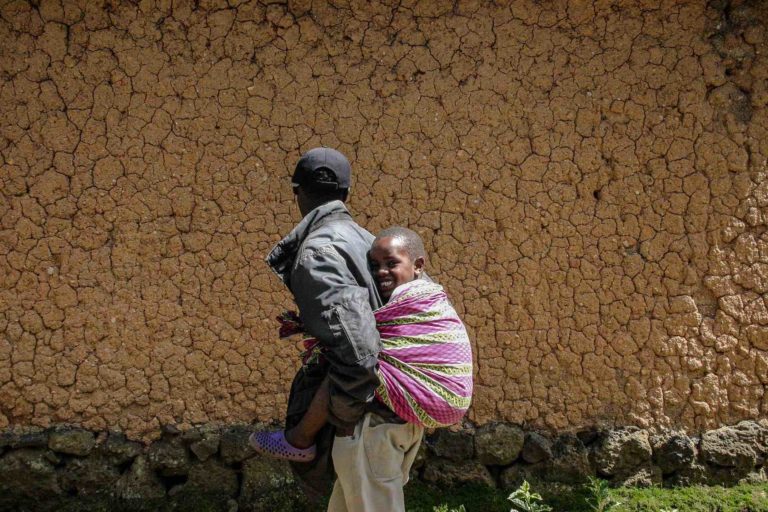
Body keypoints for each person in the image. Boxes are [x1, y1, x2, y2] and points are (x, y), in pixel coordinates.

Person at [260, 147, 423, 512]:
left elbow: (360, 354)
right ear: (346, 195)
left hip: (368, 425)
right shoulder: (368, 242)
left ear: (296, 192)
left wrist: (338, 421)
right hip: (388, 419)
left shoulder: (319, 251)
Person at [252, 227, 473, 463]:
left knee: (349, 361)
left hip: (420, 406)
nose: (381, 272)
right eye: (375, 266)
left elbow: (359, 335)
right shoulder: (431, 297)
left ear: (418, 265)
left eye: (391, 263)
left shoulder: (414, 299)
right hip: (439, 404)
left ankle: (300, 439)